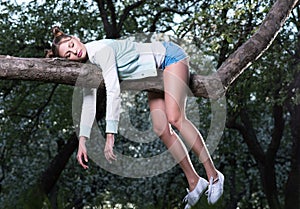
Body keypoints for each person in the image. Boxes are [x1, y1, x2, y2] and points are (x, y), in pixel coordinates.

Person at [46, 26, 224, 208]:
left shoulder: (100, 51)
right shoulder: (88, 64)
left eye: (72, 44)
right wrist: (82, 140)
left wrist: (110, 135)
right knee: (161, 128)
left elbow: (113, 90)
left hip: (170, 58)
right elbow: (89, 100)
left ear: (75, 38)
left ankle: (214, 175)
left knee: (175, 117)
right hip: (153, 72)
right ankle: (194, 181)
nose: (74, 51)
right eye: (68, 55)